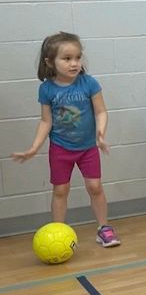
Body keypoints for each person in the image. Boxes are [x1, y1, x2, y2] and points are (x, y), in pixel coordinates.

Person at [11, 32, 120, 247]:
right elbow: (46, 121)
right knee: (60, 190)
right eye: (67, 58)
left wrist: (100, 133)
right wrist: (34, 147)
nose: (74, 63)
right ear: (50, 62)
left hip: (88, 147)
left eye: (78, 58)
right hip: (61, 149)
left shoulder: (89, 83)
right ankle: (58, 232)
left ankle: (104, 228)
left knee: (95, 186)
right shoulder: (47, 89)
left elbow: (101, 111)